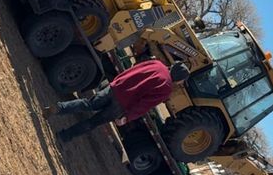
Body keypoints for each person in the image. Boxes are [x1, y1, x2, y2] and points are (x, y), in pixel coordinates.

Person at [45, 59, 191, 144]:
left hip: (115, 88)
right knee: (93, 122)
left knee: (87, 104)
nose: (179, 83)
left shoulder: (156, 63)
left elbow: (132, 70)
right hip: (121, 104)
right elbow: (144, 105)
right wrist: (127, 117)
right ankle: (64, 135)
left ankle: (58, 108)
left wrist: (116, 81)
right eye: (181, 81)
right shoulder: (166, 87)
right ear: (178, 78)